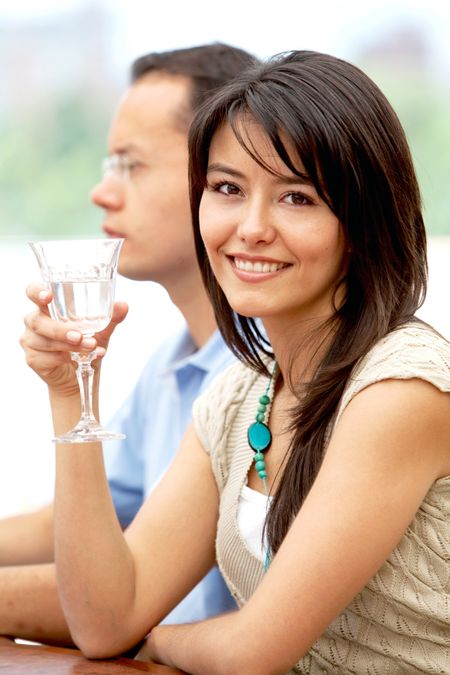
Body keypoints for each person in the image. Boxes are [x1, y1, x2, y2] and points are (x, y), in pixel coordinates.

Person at [22, 50, 450, 674]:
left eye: (297, 198)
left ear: (362, 221)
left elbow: (253, 653)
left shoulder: (401, 388)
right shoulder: (241, 394)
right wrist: (68, 391)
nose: (250, 228)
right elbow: (106, 619)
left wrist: (162, 642)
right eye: (227, 189)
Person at [0, 43, 258, 645]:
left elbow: (113, 606)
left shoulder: (269, 373)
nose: (101, 193)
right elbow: (82, 522)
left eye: (130, 165)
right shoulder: (171, 363)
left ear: (220, 175)